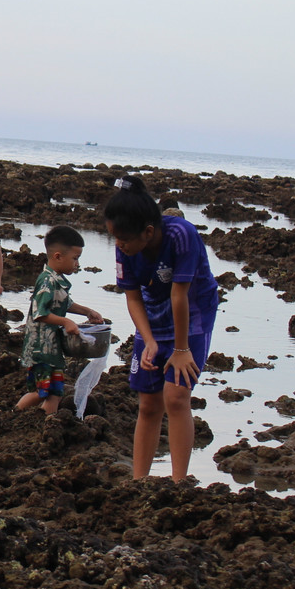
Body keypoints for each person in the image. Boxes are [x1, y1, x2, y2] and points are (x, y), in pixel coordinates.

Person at [105, 175, 220, 481]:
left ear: (149, 232)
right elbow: (132, 297)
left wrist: (181, 350)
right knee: (149, 402)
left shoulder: (182, 235)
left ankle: (179, 482)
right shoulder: (124, 247)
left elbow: (179, 294)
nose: (119, 245)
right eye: (115, 238)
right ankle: (139, 481)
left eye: (124, 240)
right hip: (153, 314)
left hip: (193, 314)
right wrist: (149, 341)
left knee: (176, 397)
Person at [16, 226, 105, 414]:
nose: (77, 264)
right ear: (57, 256)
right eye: (75, 258)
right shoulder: (47, 280)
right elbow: (40, 312)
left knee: (55, 392)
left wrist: (87, 311)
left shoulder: (57, 280)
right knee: (41, 392)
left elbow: (65, 302)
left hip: (53, 349)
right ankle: (15, 415)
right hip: (41, 349)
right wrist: (66, 322)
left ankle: (48, 424)